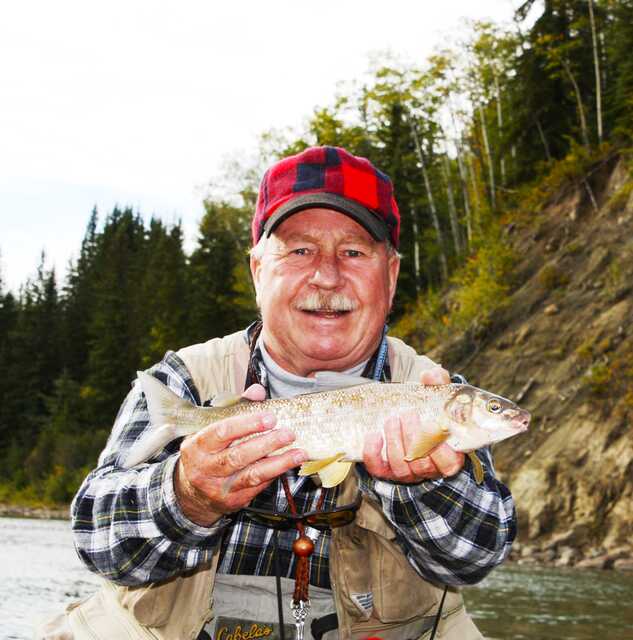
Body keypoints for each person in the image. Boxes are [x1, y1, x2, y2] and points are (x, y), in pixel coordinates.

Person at [40, 146, 516, 640]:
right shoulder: (185, 380)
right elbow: (97, 542)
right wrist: (185, 496)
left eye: (353, 252)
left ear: (391, 276)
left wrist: (426, 486)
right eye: (300, 250)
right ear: (258, 270)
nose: (327, 277)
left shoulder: (435, 393)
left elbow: (476, 558)